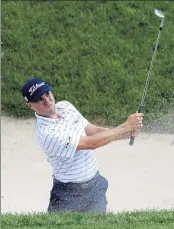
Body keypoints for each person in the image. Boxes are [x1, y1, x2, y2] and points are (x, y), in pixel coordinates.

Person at [21, 78, 143, 214]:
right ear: (30, 105)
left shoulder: (66, 107)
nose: (47, 100)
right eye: (39, 99)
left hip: (95, 184)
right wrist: (125, 126)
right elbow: (92, 143)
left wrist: (125, 134)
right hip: (68, 194)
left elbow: (93, 131)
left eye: (48, 94)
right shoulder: (47, 134)